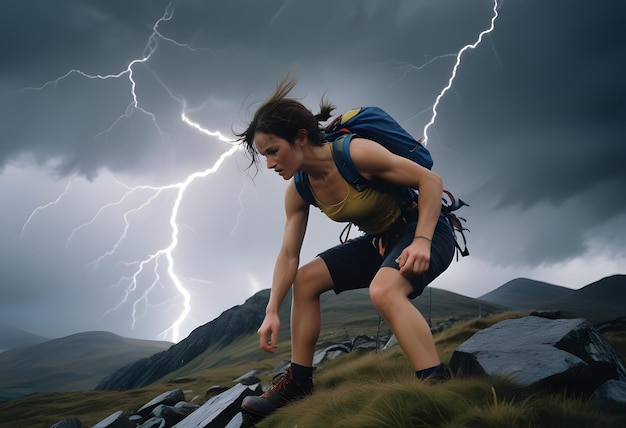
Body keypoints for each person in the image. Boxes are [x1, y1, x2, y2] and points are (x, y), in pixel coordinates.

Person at [236, 77, 456, 419]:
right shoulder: (299, 189)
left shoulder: (355, 154)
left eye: (272, 151)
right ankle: (297, 383)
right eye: (264, 156)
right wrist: (272, 309)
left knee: (383, 291)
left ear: (301, 137)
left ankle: (436, 387)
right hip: (380, 241)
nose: (269, 164)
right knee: (306, 280)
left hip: (427, 229)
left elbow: (431, 181)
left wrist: (423, 241)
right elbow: (289, 254)